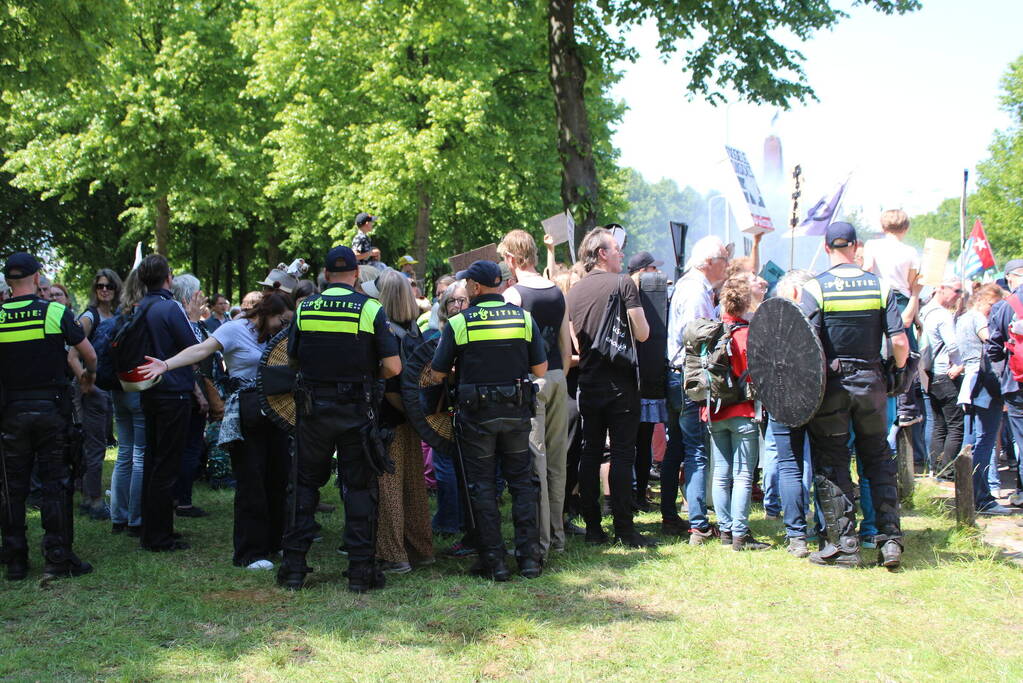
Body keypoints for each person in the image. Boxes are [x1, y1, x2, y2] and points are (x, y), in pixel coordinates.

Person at [139, 291, 295, 570]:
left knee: (278, 477)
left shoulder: (280, 335)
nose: (283, 327)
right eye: (281, 321)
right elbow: (201, 350)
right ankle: (250, 552)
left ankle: (277, 542)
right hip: (246, 410)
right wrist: (166, 364)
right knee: (252, 480)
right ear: (265, 313)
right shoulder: (234, 329)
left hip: (278, 409)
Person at [277, 245, 401, 592]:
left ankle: (294, 569)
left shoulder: (305, 309)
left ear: (326, 275)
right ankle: (361, 572)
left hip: (313, 411)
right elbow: (393, 367)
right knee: (360, 487)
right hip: (356, 410)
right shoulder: (370, 308)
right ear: (357, 275)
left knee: (303, 487)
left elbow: (293, 360)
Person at [800, 222, 909, 569]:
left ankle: (845, 545)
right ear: (856, 247)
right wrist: (895, 370)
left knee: (832, 462)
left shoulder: (816, 288)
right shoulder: (880, 286)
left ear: (827, 247)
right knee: (878, 459)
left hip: (832, 388)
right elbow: (900, 341)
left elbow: (805, 344)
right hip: (872, 384)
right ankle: (889, 540)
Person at [430, 260, 547, 580]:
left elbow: (437, 372)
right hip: (516, 414)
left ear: (477, 288)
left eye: (468, 283)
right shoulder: (524, 319)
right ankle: (528, 560)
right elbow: (539, 369)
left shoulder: (459, 323)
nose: (465, 287)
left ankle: (494, 563)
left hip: (477, 418)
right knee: (522, 485)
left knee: (481, 487)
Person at [0, 252, 96, 581]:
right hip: (52, 411)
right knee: (56, 483)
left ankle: (14, 560)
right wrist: (88, 377)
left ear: (8, 281)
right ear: (38, 277)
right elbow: (89, 354)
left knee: (12, 487)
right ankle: (58, 556)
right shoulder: (55, 311)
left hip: (10, 412)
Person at [567, 228, 653, 547]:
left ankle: (592, 528)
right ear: (602, 253)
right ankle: (625, 529)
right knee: (621, 454)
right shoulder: (623, 283)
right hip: (620, 384)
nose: (621, 254)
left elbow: (574, 342)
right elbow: (642, 333)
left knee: (590, 454)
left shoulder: (573, 292)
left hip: (588, 384)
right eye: (616, 249)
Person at [499, 230, 572, 557]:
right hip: (558, 377)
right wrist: (558, 377)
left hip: (530, 382)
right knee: (558, 462)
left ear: (513, 259)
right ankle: (557, 537)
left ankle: (539, 544)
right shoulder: (557, 292)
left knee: (536, 464)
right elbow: (566, 347)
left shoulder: (513, 296)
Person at [665, 235, 729, 542]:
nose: (727, 266)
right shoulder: (694, 292)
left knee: (680, 447)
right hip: (690, 378)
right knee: (696, 450)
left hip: (680, 375)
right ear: (708, 263)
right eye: (723, 261)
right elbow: (697, 339)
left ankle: (676, 514)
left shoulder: (694, 287)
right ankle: (699, 523)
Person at [137, 255, 201, 552]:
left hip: (149, 389)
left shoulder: (141, 306)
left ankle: (152, 529)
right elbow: (193, 345)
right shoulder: (169, 306)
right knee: (166, 465)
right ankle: (159, 536)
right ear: (169, 278)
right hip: (173, 391)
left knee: (152, 461)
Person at [374, 269, 434, 573]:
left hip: (390, 420)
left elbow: (389, 383)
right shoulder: (414, 329)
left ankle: (393, 555)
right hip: (415, 418)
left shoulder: (384, 329)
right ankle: (421, 550)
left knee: (389, 488)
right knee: (414, 487)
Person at [705, 275, 770, 551]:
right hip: (743, 411)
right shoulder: (748, 335)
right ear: (746, 304)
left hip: (715, 411)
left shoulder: (712, 333)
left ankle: (725, 529)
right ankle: (740, 534)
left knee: (721, 472)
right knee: (744, 474)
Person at [766, 269, 818, 557]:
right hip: (810, 397)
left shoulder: (772, 319)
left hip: (781, 397)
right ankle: (821, 527)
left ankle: (796, 535)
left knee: (789, 465)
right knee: (816, 462)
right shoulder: (815, 319)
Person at [862, 209, 923, 427]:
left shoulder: (872, 246)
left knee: (877, 348)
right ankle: (906, 405)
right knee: (907, 351)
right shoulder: (910, 252)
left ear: (882, 227)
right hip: (900, 299)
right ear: (906, 228)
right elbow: (913, 283)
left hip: (876, 297)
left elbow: (867, 269)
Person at [956, 283, 1011, 514]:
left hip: (971, 384)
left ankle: (970, 495)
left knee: (973, 442)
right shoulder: (978, 318)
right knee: (984, 442)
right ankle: (981, 497)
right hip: (984, 385)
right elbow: (993, 341)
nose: (994, 311)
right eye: (992, 305)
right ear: (982, 301)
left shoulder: (963, 317)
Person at [76, 268, 123, 520]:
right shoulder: (89, 317)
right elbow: (72, 354)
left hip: (107, 388)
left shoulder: (115, 315)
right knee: (95, 446)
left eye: (109, 286)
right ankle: (94, 501)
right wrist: (87, 382)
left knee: (99, 444)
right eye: (100, 286)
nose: (104, 290)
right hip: (93, 389)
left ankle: (87, 495)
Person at [628, 251, 667, 515]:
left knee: (638, 444)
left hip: (639, 379)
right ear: (643, 270)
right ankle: (633, 495)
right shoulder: (633, 295)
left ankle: (638, 494)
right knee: (633, 444)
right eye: (653, 268)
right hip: (638, 379)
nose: (657, 273)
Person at [169, 274, 211, 519]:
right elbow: (192, 356)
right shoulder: (184, 320)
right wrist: (200, 393)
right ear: (191, 296)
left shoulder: (169, 316)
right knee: (189, 447)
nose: (203, 296)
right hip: (187, 391)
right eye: (199, 292)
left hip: (182, 390)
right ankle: (182, 500)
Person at [109, 270, 146, 537]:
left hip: (117, 388)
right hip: (138, 387)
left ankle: (118, 517)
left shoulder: (120, 315)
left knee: (124, 453)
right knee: (140, 455)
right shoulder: (146, 315)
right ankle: (136, 519)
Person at [985, 259, 1023, 511]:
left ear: (1009, 278)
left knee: (1021, 439)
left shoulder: (1004, 306)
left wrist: (1005, 371)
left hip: (1017, 383)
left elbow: (993, 348)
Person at [921, 277, 966, 479]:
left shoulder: (924, 311)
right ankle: (947, 471)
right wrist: (960, 363)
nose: (958, 296)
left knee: (939, 423)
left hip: (929, 375)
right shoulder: (941, 315)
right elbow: (953, 345)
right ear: (941, 288)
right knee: (956, 424)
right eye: (956, 291)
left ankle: (936, 468)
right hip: (945, 373)